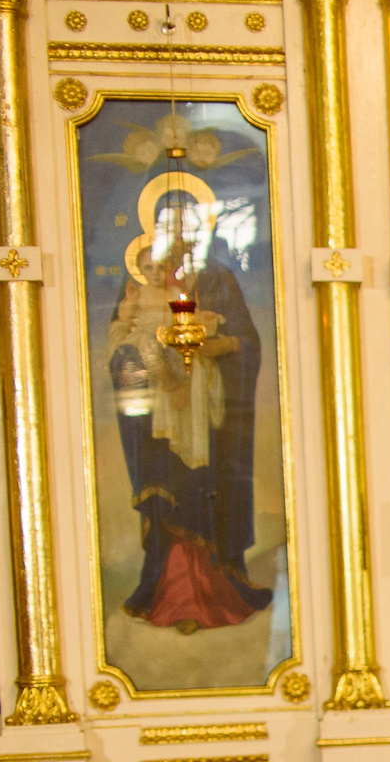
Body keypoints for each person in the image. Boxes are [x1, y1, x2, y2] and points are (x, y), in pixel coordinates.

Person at [106, 188, 269, 632]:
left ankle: (217, 589)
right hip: (159, 414)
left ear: (202, 228)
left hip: (209, 413)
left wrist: (212, 346)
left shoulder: (217, 279)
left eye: (187, 223)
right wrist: (159, 371)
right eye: (168, 224)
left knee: (206, 485)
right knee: (168, 491)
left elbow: (247, 343)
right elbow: (118, 349)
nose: (178, 233)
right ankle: (168, 590)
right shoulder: (139, 286)